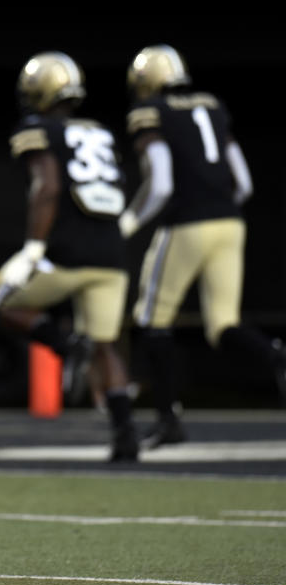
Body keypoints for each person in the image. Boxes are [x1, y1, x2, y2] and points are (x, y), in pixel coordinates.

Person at [120, 44, 285, 447]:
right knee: (223, 324)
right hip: (231, 221)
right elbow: (243, 182)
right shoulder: (211, 106)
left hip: (187, 223)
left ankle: (167, 420)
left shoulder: (151, 113)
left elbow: (160, 185)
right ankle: (278, 357)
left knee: (152, 319)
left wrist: (126, 224)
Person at [0, 51, 140, 463]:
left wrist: (34, 248)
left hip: (67, 254)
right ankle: (126, 435)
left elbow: (48, 186)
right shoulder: (100, 132)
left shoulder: (37, 129)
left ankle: (67, 346)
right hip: (111, 254)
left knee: (1, 300)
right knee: (107, 344)